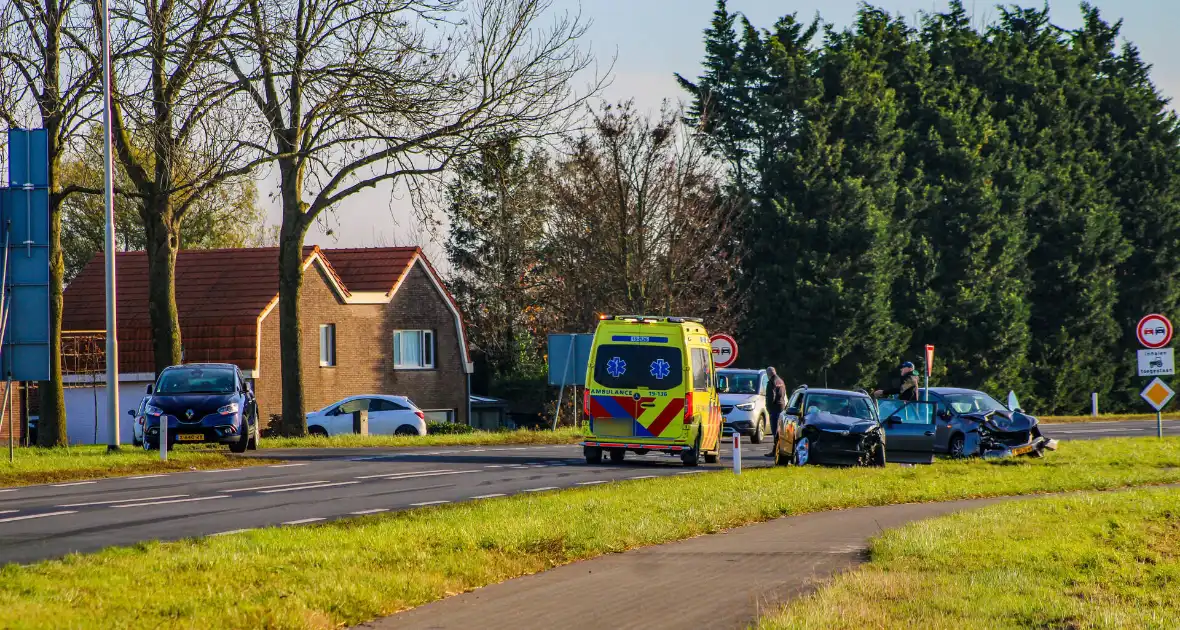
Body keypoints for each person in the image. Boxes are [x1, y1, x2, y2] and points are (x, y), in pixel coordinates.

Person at [763, 367, 787, 457]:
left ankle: (776, 450)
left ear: (768, 374)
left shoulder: (771, 382)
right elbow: (783, 394)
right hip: (781, 406)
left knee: (775, 431)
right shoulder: (780, 381)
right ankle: (777, 449)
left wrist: (769, 407)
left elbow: (771, 397)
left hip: (774, 408)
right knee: (779, 430)